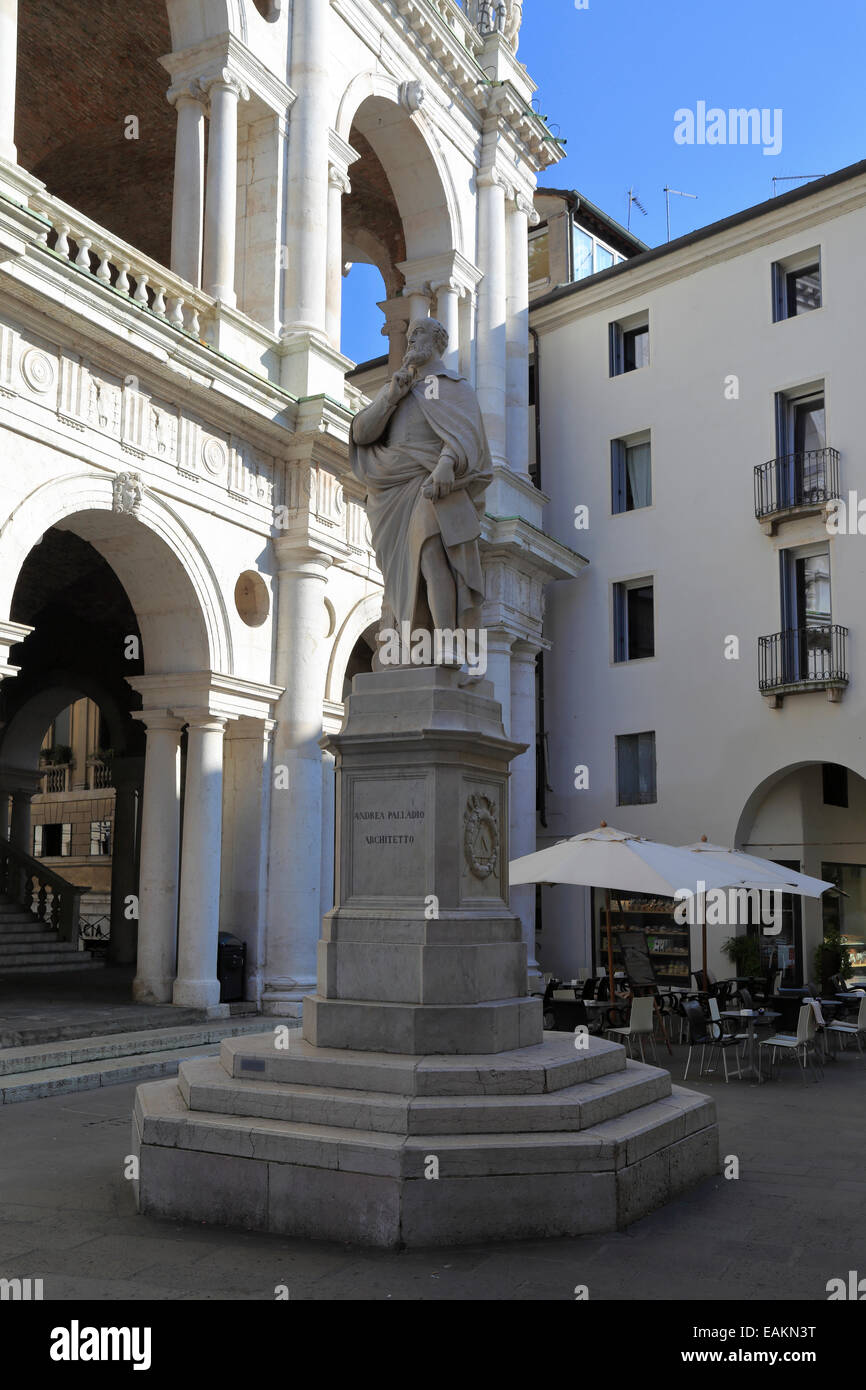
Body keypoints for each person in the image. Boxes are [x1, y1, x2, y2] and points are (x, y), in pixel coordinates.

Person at [350, 316, 492, 642]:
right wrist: (390, 398)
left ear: (436, 340)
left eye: (418, 334)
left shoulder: (455, 387)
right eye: (410, 335)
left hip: (432, 487)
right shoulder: (398, 387)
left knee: (430, 553)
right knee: (402, 578)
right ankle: (412, 647)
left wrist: (446, 463)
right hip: (392, 493)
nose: (411, 340)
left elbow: (466, 437)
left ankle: (446, 644)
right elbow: (361, 433)